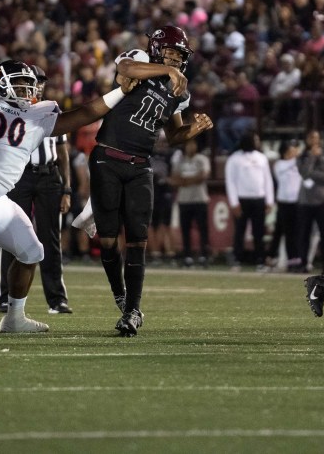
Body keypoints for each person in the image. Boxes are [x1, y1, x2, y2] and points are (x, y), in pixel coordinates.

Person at [0, 60, 134, 337]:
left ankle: (14, 318)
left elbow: (85, 113)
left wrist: (120, 91)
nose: (26, 88)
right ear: (0, 82)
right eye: (19, 83)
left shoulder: (38, 115)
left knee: (32, 251)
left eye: (27, 83)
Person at [86, 26, 212, 336]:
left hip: (141, 165)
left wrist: (193, 130)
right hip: (107, 158)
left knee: (138, 242)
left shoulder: (178, 89)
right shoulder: (140, 59)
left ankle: (132, 310)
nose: (176, 59)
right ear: (157, 49)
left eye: (179, 55)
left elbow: (173, 135)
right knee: (107, 241)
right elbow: (125, 68)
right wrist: (167, 68)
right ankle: (120, 293)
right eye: (170, 52)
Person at [0, 65, 74, 315]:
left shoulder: (51, 108)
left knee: (50, 239)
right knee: (11, 236)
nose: (37, 85)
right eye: (33, 81)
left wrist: (67, 188)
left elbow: (62, 151)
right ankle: (6, 297)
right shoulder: (10, 109)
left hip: (49, 175)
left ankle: (56, 299)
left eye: (40, 81)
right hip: (18, 176)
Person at [225, 131, 275, 270]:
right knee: (239, 231)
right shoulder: (234, 159)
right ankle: (236, 259)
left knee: (258, 232)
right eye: (256, 140)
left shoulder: (262, 158)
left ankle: (260, 260)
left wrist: (269, 200)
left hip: (259, 199)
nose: (258, 143)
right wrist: (234, 203)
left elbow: (268, 180)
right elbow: (231, 182)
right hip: (242, 200)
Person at [297, 129, 324, 274]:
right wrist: (312, 158)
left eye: (316, 137)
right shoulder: (302, 157)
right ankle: (303, 263)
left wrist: (313, 174)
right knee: (304, 235)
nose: (313, 140)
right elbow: (303, 172)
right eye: (311, 137)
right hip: (306, 201)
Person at [171, 137, 211, 267]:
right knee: (185, 230)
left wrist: (186, 181)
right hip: (184, 200)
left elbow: (203, 176)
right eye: (188, 145)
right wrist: (191, 179)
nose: (190, 147)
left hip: (200, 199)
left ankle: (204, 255)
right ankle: (187, 255)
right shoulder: (180, 160)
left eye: (193, 144)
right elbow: (174, 179)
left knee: (203, 229)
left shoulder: (202, 159)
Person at [270, 140, 302, 271]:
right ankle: (289, 259)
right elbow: (286, 167)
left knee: (296, 232)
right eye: (291, 151)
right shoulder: (279, 164)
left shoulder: (297, 164)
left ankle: (296, 258)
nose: (294, 153)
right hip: (284, 202)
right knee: (286, 232)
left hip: (298, 202)